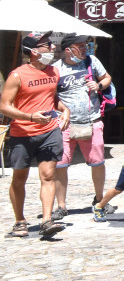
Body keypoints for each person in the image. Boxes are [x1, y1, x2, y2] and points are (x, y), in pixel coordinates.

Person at [0, 33, 70, 240]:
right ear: (33, 51)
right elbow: (4, 106)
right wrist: (30, 117)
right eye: (47, 45)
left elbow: (52, 98)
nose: (52, 47)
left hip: (49, 131)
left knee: (48, 175)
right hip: (22, 133)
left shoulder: (53, 71)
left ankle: (47, 221)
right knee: (19, 178)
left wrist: (65, 110)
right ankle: (20, 221)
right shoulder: (17, 75)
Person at [52, 33, 114, 222]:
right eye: (80, 46)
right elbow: (51, 95)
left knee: (98, 162)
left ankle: (99, 199)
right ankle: (61, 206)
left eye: (85, 45)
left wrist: (99, 85)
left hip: (92, 120)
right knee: (60, 165)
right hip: (65, 124)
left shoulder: (91, 61)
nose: (85, 48)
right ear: (68, 50)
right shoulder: (55, 69)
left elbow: (107, 77)